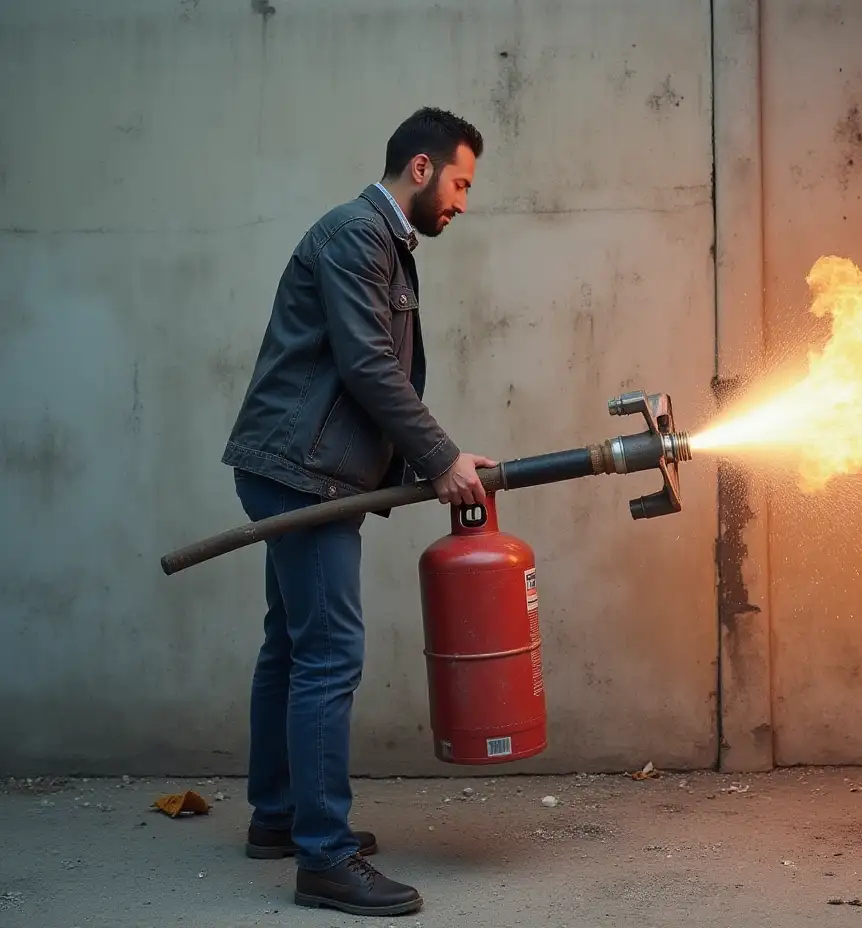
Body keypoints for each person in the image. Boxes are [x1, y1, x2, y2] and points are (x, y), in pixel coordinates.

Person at [220, 107, 495, 917]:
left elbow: (372, 374)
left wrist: (435, 457)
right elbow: (371, 363)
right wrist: (440, 456)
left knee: (293, 644)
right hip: (304, 474)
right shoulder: (356, 236)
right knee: (330, 655)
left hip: (302, 469)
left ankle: (279, 816)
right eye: (460, 182)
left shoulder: (381, 242)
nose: (463, 202)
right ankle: (324, 857)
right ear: (421, 167)